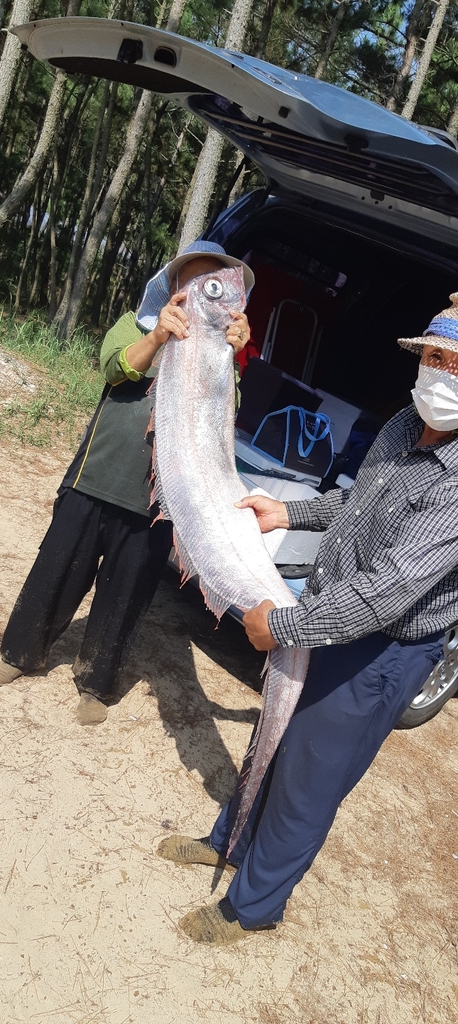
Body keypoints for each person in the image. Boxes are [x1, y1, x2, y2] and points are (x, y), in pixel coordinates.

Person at [157, 292, 458, 944]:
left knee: (308, 776)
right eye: (434, 356)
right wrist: (286, 513)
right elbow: (357, 504)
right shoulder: (405, 422)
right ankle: (229, 842)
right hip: (326, 612)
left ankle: (251, 907)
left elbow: (390, 590)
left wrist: (286, 626)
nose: (440, 373)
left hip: (379, 648)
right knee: (272, 734)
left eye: (455, 364)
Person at [0, 241, 252, 725]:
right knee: (57, 569)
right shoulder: (137, 324)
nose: (195, 291)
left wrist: (231, 357)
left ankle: (97, 682)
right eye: (187, 280)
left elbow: (223, 413)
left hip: (156, 499)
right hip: (96, 477)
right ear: (170, 287)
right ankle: (19, 653)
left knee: (125, 594)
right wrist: (158, 339)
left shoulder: (220, 352)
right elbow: (113, 366)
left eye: (208, 282)